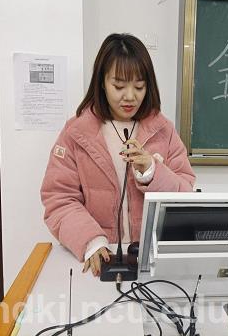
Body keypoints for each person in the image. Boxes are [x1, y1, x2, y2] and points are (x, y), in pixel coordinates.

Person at [41, 33, 195, 277]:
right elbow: (59, 199)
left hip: (152, 263)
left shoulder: (163, 130)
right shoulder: (76, 133)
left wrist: (152, 173)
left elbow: (187, 195)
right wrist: (91, 241)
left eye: (139, 86)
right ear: (102, 82)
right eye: (119, 86)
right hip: (99, 262)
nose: (130, 96)